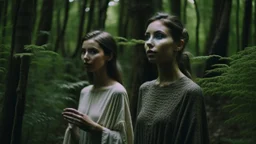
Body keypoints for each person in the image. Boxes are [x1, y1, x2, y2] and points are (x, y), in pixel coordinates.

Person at [134, 12, 209, 144]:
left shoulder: (190, 92)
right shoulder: (144, 89)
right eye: (147, 37)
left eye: (159, 36)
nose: (149, 43)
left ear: (178, 45)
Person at [62, 30, 133, 144]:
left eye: (93, 51)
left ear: (109, 56)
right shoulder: (85, 92)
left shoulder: (117, 92)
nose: (85, 57)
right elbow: (81, 139)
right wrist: (73, 126)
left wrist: (94, 128)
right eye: (83, 51)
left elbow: (124, 140)